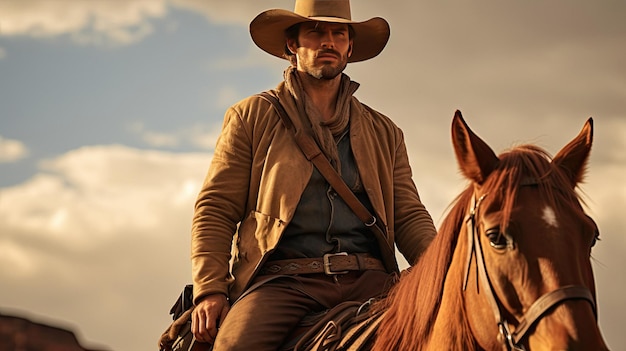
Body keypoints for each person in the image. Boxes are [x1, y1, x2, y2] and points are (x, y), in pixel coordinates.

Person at [190, 0, 437, 349]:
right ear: (293, 45)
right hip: (284, 281)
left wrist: (439, 269)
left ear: (350, 47)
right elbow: (216, 208)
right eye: (316, 32)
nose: (329, 42)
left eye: (339, 34)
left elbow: (409, 214)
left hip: (371, 278)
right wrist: (210, 289)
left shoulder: (385, 131)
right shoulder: (252, 116)